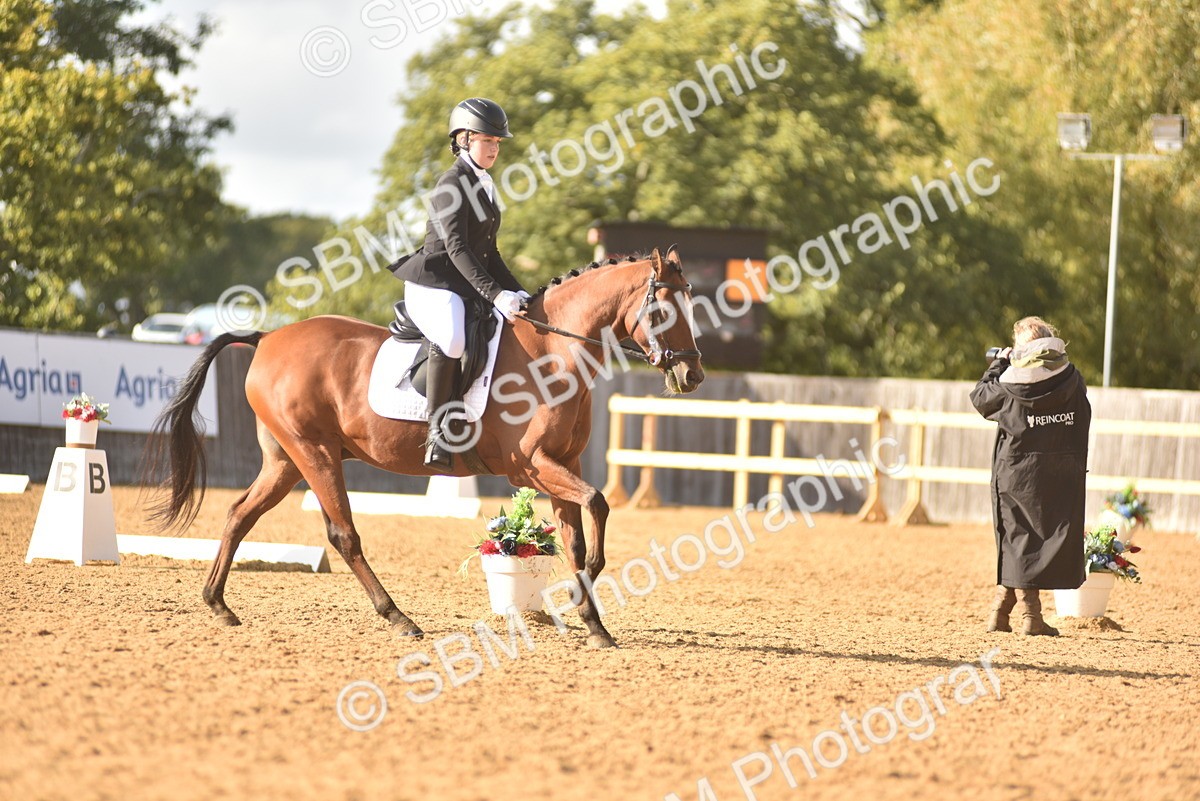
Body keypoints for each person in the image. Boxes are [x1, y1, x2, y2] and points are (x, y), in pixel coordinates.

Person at [389, 98, 530, 469]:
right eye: (487, 140)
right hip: (434, 283)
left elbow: (489, 252)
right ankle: (437, 433)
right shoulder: (451, 184)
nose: (494, 148)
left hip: (464, 283)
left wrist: (518, 290)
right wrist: (495, 294)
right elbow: (457, 248)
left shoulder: (485, 184)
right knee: (452, 338)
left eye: (497, 142)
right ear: (464, 139)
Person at [969, 316, 1092, 636]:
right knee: (1029, 542)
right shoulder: (1071, 378)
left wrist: (999, 363)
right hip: (1057, 473)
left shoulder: (1009, 383)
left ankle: (1029, 617)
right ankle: (1003, 613)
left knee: (1017, 539)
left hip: (1016, 472)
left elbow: (981, 398)